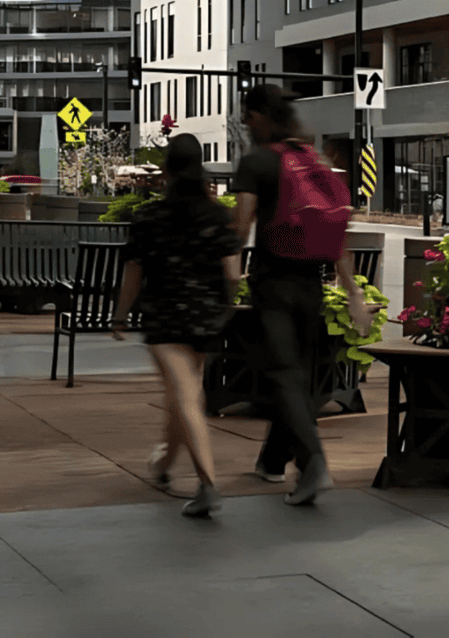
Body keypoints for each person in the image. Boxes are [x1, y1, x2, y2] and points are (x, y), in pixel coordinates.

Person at [232, 84, 375, 506]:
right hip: (312, 285)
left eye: (247, 115)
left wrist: (226, 277)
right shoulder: (312, 160)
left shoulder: (257, 161)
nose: (244, 122)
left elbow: (239, 228)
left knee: (282, 374)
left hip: (273, 282)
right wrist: (353, 294)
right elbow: (337, 237)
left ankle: (313, 463)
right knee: (296, 375)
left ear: (259, 116)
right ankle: (273, 461)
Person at [112, 132, 241, 518]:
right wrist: (226, 306)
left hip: (164, 318)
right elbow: (233, 273)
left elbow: (133, 271)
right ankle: (165, 464)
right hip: (205, 318)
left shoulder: (149, 217)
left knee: (184, 395)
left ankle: (208, 483)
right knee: (180, 392)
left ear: (166, 170)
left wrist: (120, 316)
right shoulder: (217, 215)